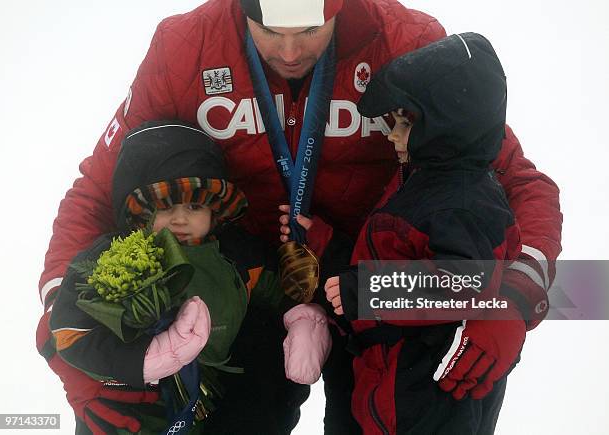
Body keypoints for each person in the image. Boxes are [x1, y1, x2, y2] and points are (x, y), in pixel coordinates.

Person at [36, 1, 562, 433]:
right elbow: (97, 190)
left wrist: (512, 294)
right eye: (268, 29)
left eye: (310, 28)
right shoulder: (184, 48)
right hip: (230, 292)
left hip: (375, 297)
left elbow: (515, 180)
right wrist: (67, 331)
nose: (289, 51)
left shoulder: (402, 39)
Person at [48, 120, 332, 434]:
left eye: (194, 206)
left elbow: (281, 295)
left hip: (215, 401)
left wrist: (305, 323)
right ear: (142, 211)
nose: (180, 218)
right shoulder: (111, 257)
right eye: (165, 207)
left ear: (215, 209)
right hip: (131, 405)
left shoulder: (238, 254)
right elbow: (70, 330)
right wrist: (139, 361)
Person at [306, 33, 528, 434]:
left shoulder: (462, 202)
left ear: (445, 126)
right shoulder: (425, 180)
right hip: (387, 381)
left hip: (432, 391)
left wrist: (370, 291)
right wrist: (327, 244)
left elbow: (464, 282)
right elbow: (392, 251)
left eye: (403, 123)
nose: (391, 133)